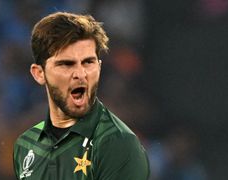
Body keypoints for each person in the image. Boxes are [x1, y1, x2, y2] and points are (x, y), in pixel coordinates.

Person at [13, 11, 150, 180]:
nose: (80, 74)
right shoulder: (26, 145)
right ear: (39, 73)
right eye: (66, 64)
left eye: (88, 62)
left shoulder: (118, 144)